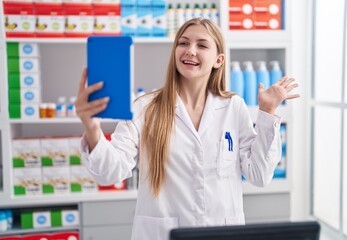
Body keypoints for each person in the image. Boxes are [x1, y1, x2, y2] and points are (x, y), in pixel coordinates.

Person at [75, 18, 299, 240]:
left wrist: (268, 111)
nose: (190, 51)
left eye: (201, 45)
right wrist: (92, 128)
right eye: (183, 43)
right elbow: (109, 173)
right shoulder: (145, 107)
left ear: (218, 60)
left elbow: (259, 175)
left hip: (221, 233)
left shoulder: (233, 107)